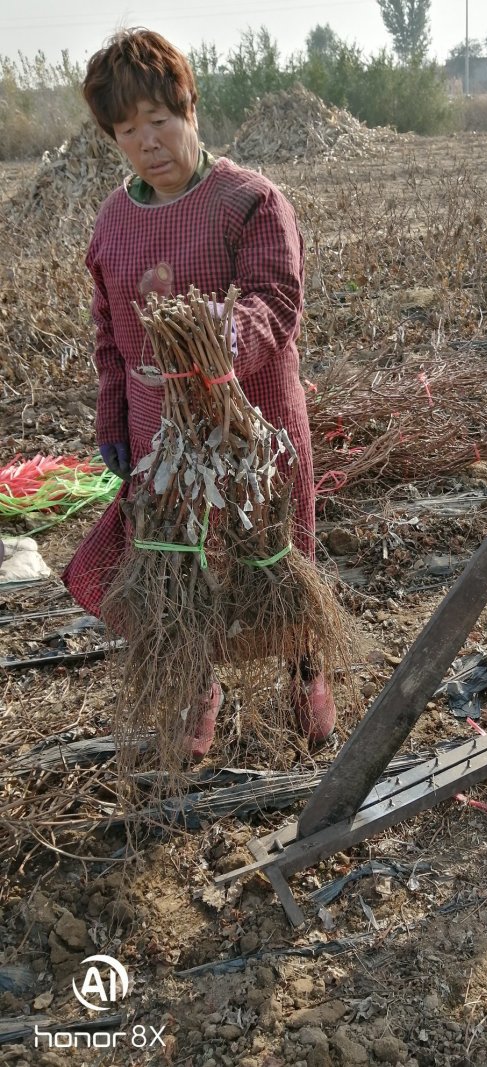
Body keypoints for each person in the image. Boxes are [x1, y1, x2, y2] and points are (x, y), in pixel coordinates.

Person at [62, 28, 336, 758]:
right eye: (127, 129)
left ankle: (304, 671)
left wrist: (221, 341)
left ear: (190, 109)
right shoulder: (114, 223)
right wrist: (113, 417)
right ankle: (198, 689)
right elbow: (110, 336)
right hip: (163, 435)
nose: (148, 141)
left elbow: (277, 300)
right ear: (112, 138)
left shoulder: (248, 200)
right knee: (183, 569)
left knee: (276, 553)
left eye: (160, 119)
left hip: (255, 420)